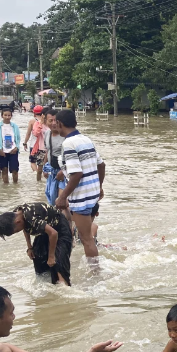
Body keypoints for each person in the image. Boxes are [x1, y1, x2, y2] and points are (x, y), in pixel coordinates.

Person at [53, 109, 105, 260]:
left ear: (60, 124)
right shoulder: (86, 139)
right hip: (92, 194)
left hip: (81, 197)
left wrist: (62, 197)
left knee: (86, 239)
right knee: (86, 235)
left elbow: (77, 174)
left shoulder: (68, 144)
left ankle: (95, 274)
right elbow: (101, 165)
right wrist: (99, 187)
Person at [0, 202, 73, 285]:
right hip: (45, 230)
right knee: (38, 256)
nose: (18, 231)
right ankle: (47, 286)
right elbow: (25, 228)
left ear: (18, 222)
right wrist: (29, 247)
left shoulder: (31, 218)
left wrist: (51, 256)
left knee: (58, 263)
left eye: (16, 231)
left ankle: (63, 285)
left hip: (59, 228)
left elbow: (54, 234)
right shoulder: (17, 214)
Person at [0, 109, 21, 184]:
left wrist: (16, 148)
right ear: (2, 115)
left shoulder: (14, 126)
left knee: (15, 170)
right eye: (5, 115)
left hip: (13, 151)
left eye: (9, 115)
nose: (7, 117)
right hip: (2, 152)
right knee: (4, 169)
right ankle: (6, 187)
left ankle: (15, 186)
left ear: (11, 116)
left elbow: (18, 138)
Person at [23, 105, 47, 181]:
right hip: (43, 146)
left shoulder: (32, 121)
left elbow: (28, 134)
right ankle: (41, 174)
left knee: (32, 162)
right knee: (43, 163)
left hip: (33, 145)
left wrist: (25, 142)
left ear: (34, 113)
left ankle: (37, 173)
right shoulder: (47, 122)